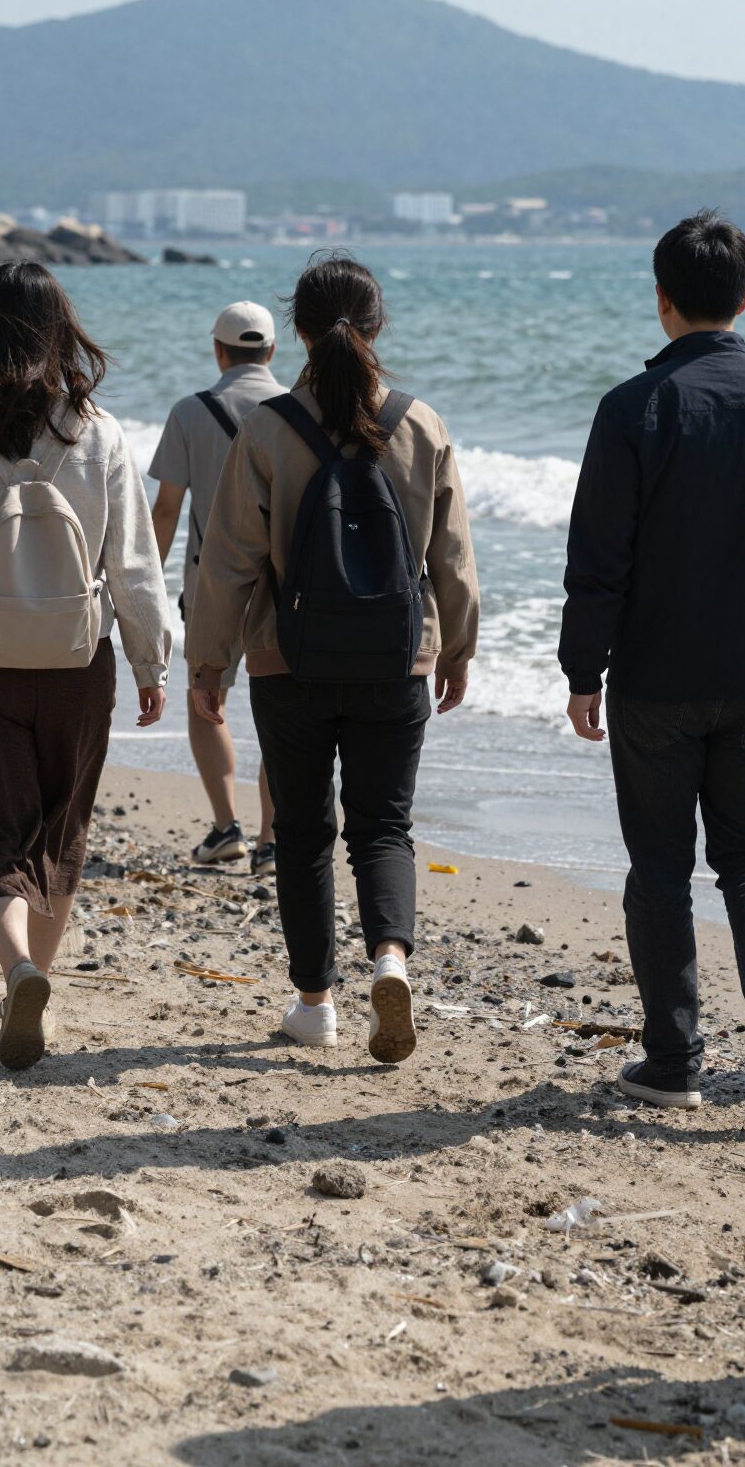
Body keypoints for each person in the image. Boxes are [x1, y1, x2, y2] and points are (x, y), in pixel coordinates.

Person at [558, 209, 745, 1120]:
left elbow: (599, 557)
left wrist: (582, 671)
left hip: (656, 676)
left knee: (660, 865)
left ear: (662, 302)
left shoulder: (633, 408)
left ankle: (673, 1060)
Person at [189, 252, 478, 1062]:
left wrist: (209, 664)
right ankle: (391, 960)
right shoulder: (421, 425)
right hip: (395, 659)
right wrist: (455, 647)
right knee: (385, 825)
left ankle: (315, 1003)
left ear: (302, 333)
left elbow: (229, 560)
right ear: (376, 325)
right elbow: (452, 557)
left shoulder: (269, 429)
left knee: (307, 833)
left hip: (291, 662)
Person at [0, 262, 172, 1071]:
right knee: (60, 824)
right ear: (61, 335)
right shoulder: (100, 434)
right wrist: (151, 658)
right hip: (79, 659)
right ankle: (37, 977)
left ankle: (14, 970)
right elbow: (134, 566)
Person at [149, 302, 284, 875]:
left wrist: (145, 583)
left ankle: (226, 827)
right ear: (273, 351)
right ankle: (273, 839)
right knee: (284, 708)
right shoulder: (296, 409)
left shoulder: (189, 411)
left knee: (208, 701)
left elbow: (166, 509)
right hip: (284, 583)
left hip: (210, 579)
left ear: (219, 351)